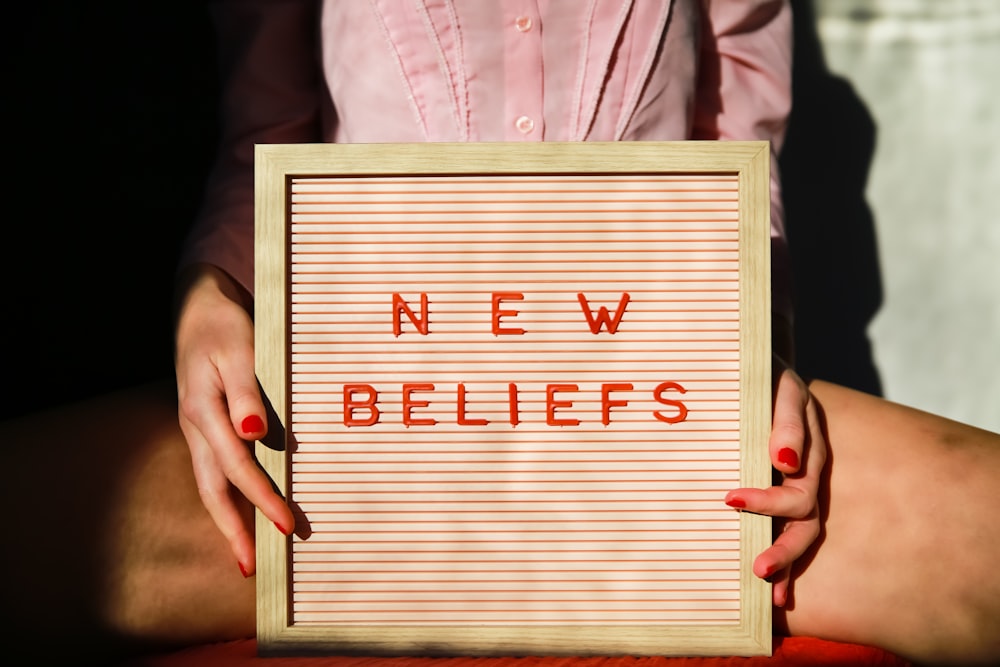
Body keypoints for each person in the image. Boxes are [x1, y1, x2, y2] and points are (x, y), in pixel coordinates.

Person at [1, 1, 997, 666]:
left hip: (647, 420)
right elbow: (262, 135)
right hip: (372, 426)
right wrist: (208, 298)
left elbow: (740, 136)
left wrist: (753, 342)